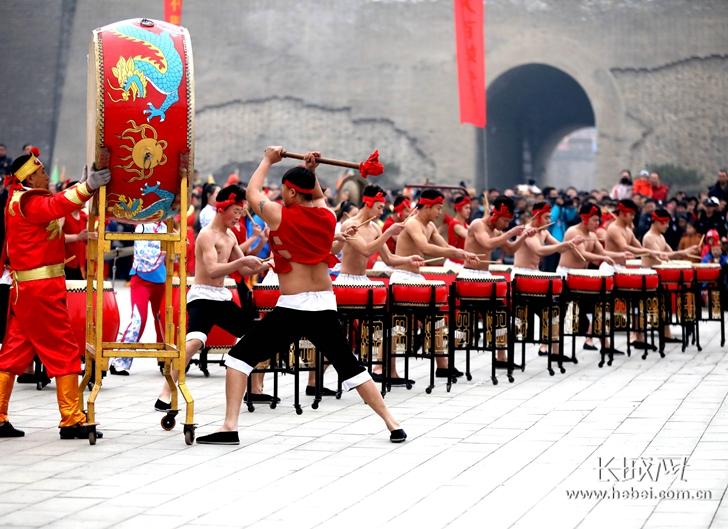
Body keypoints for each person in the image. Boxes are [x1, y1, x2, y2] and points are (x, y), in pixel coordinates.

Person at [196, 147, 406, 445]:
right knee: (351, 366)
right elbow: (316, 195)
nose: (281, 195)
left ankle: (230, 426)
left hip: (293, 307)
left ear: (292, 193)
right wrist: (312, 171)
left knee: (238, 358)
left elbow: (253, 192)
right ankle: (392, 422)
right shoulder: (326, 216)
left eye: (284, 191)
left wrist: (268, 159)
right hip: (324, 303)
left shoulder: (280, 216)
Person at [0, 152, 111, 439]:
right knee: (63, 350)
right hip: (41, 291)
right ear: (27, 178)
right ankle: (71, 419)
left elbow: (56, 205)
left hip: (27, 290)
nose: (46, 176)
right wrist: (86, 187)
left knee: (14, 353)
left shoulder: (19, 200)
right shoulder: (29, 201)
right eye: (41, 172)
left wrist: (84, 186)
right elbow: (57, 204)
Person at [154, 185, 269, 411]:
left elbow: (245, 271)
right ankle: (166, 391)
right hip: (203, 297)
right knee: (195, 341)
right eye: (236, 211)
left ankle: (254, 390)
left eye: (241, 212)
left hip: (222, 297)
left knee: (255, 335)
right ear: (222, 208)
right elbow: (213, 269)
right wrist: (241, 262)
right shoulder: (206, 235)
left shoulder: (231, 237)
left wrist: (266, 263)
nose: (238, 217)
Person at [335, 184, 424, 386]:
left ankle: (388, 370)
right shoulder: (350, 224)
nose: (382, 211)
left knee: (390, 322)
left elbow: (390, 259)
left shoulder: (375, 227)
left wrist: (409, 259)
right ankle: (320, 379)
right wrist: (389, 232)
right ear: (368, 203)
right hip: (347, 283)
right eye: (380, 207)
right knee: (340, 333)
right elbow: (366, 250)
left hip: (363, 282)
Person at [393, 188, 479, 378]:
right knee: (418, 318)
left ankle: (441, 365)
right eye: (438, 208)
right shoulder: (413, 223)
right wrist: (456, 253)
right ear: (428, 206)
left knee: (436, 316)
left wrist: (463, 254)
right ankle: (385, 368)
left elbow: (445, 246)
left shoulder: (429, 226)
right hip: (402, 278)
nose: (441, 213)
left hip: (415, 279)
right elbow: (425, 247)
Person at [463, 196, 532, 361]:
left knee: (501, 310)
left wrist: (523, 236)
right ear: (496, 215)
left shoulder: (497, 231)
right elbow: (487, 244)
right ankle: (494, 351)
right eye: (506, 220)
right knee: (498, 309)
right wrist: (510, 233)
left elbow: (510, 250)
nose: (507, 225)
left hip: (484, 278)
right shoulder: (477, 224)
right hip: (469, 277)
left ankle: (501, 355)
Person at [513, 201, 583, 358]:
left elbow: (560, 246)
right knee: (551, 309)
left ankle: (555, 351)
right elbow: (539, 250)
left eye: (549, 217)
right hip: (522, 277)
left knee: (554, 310)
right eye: (546, 217)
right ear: (537, 216)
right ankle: (545, 346)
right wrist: (564, 245)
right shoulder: (527, 231)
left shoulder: (543, 232)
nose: (548, 220)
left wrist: (571, 244)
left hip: (534, 277)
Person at [110, 221, 167, 376]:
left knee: (163, 319)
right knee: (138, 320)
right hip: (141, 279)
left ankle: (164, 358)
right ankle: (120, 361)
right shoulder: (142, 226)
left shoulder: (167, 226)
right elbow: (143, 257)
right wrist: (167, 252)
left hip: (161, 280)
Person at [446, 194, 471, 265]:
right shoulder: (455, 225)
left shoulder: (466, 225)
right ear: (458, 208)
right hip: (454, 264)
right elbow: (470, 236)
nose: (469, 211)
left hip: (463, 262)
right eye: (466, 208)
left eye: (469, 208)